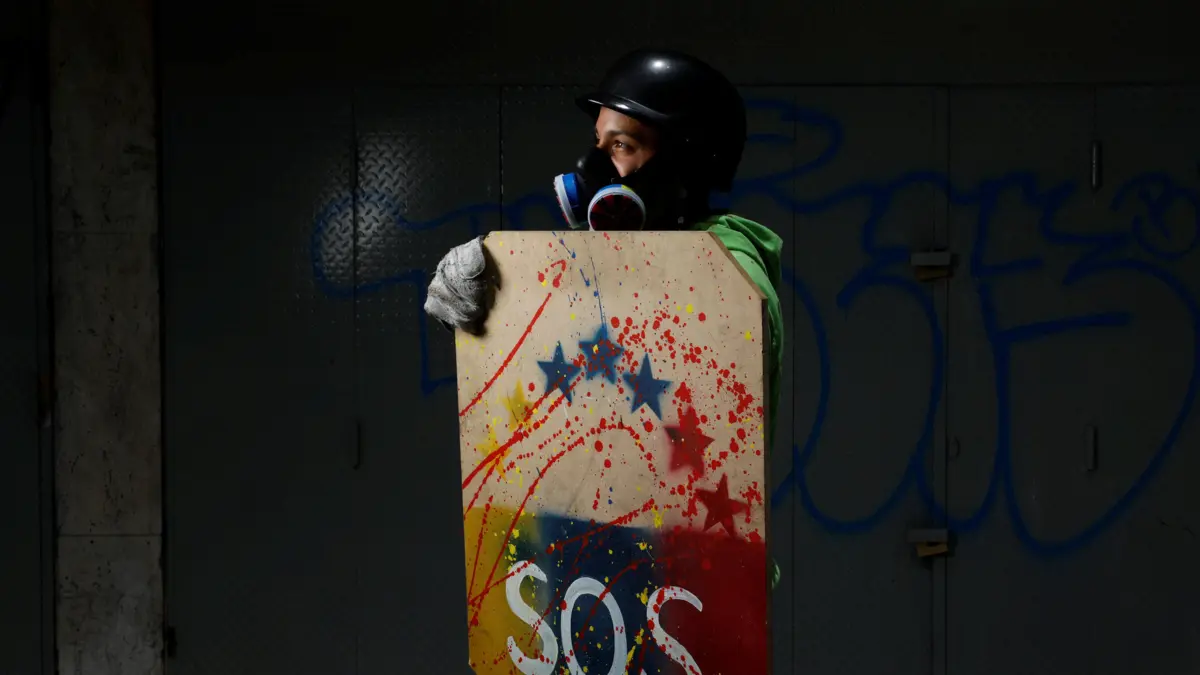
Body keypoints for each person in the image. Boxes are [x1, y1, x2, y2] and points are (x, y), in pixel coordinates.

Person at [425, 49, 784, 586]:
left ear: (683, 163)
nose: (589, 170)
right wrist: (489, 280)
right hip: (593, 575)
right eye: (599, 144)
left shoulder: (729, 269)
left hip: (695, 590)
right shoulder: (621, 262)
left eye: (622, 145)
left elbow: (651, 336)